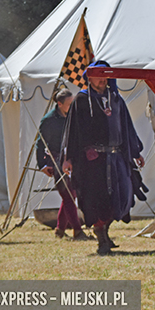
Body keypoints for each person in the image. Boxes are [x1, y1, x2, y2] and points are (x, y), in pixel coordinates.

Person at [62, 60, 146, 255]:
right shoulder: (81, 101)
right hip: (92, 162)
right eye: (98, 75)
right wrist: (69, 158)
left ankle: (105, 233)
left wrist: (135, 152)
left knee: (119, 197)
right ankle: (101, 240)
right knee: (96, 199)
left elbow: (126, 128)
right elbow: (72, 132)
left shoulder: (116, 98)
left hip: (116, 159)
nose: (102, 80)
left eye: (104, 75)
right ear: (89, 77)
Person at [36, 88, 89, 240]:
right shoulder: (49, 120)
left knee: (70, 195)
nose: (72, 107)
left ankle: (60, 230)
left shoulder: (73, 116)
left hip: (73, 159)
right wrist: (42, 165)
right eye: (69, 104)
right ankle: (78, 231)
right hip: (57, 160)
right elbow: (40, 144)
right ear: (59, 104)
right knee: (68, 195)